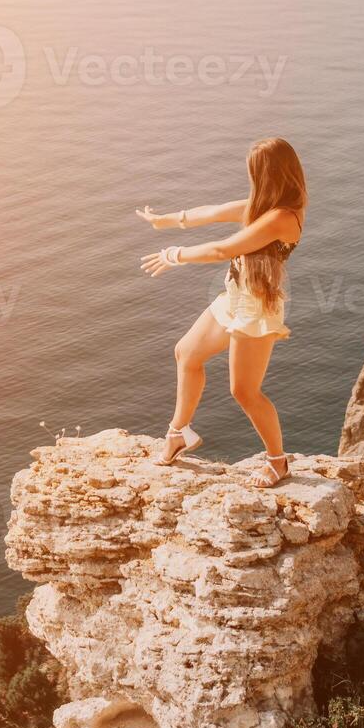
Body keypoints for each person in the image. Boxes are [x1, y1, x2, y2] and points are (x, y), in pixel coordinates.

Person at [137, 138, 307, 488]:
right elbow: (213, 212)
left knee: (244, 390)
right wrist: (164, 221)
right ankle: (178, 434)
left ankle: (278, 462)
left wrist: (175, 255)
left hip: (255, 308)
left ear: (266, 174)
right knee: (187, 353)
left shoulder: (281, 217)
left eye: (254, 170)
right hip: (235, 295)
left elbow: (222, 249)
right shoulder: (264, 206)